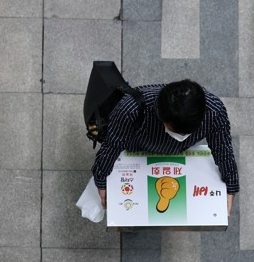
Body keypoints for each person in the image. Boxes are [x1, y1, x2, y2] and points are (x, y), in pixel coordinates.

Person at [92, 79, 238, 216]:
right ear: (161, 115)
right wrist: (101, 182)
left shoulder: (214, 112)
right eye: (175, 131)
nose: (180, 137)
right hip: (138, 147)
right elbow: (111, 146)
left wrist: (231, 186)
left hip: (178, 154)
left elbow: (223, 148)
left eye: (187, 133)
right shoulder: (131, 109)